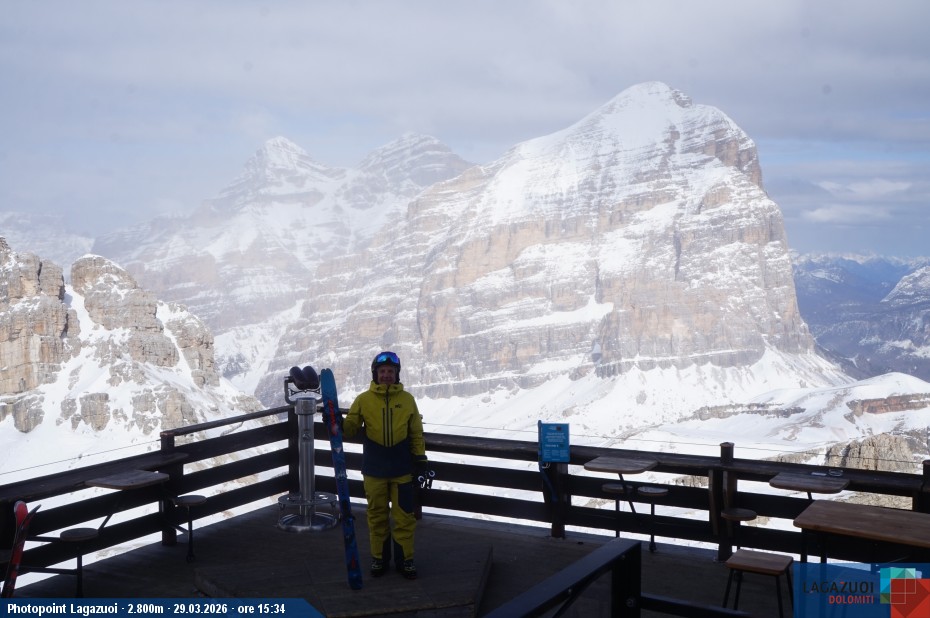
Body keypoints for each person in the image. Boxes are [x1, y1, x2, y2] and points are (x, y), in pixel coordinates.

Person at [343, 351, 428, 579]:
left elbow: (416, 433)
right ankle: (379, 559)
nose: (387, 375)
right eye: (382, 371)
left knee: (404, 517)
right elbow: (350, 428)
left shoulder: (407, 400)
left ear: (397, 374)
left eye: (391, 371)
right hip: (374, 470)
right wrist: (336, 424)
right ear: (376, 374)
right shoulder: (363, 400)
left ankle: (405, 560)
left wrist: (420, 459)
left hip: (402, 470)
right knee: (377, 516)